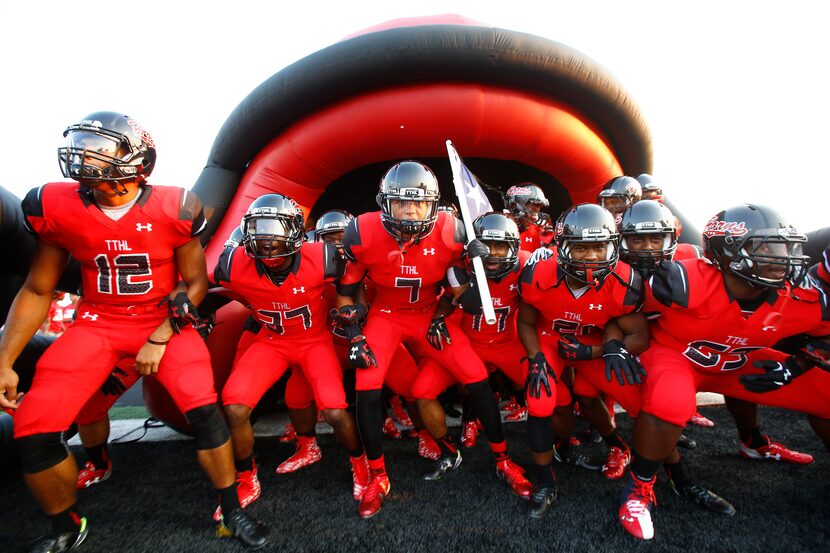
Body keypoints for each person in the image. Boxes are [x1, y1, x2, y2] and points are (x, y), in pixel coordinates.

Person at [0, 112, 268, 551]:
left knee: (203, 412)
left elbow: (196, 283)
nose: (84, 154)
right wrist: (5, 361)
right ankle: (66, 524)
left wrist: (161, 334)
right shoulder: (55, 204)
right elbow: (37, 287)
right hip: (98, 321)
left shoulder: (175, 206)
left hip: (161, 320)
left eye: (100, 146)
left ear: (137, 159)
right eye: (83, 143)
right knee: (33, 427)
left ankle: (232, 510)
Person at [617, 204, 830, 541]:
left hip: (736, 359)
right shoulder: (679, 281)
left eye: (785, 247)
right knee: (670, 402)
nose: (783, 258)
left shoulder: (801, 297)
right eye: (768, 248)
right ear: (729, 251)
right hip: (678, 356)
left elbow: (824, 335)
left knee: (826, 388)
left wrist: (795, 366)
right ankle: (639, 489)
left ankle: (753, 442)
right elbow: (622, 308)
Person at [336, 160, 530, 519]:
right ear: (384, 202)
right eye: (402, 202)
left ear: (432, 204)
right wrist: (353, 333)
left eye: (420, 203)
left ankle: (503, 459)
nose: (411, 210)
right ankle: (378, 476)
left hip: (429, 316)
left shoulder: (452, 232)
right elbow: (346, 292)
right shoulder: (362, 232)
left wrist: (474, 267)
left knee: (476, 377)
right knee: (367, 386)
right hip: (386, 316)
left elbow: (470, 303)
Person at [212, 194, 369, 513]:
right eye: (259, 229)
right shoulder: (234, 263)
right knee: (235, 406)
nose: (267, 241)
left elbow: (349, 288)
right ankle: (246, 477)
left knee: (336, 411)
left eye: (275, 229)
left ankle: (361, 465)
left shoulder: (322, 257)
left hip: (315, 342)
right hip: (272, 341)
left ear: (296, 231)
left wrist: (353, 327)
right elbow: (211, 289)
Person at [517, 203, 648, 518]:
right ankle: (545, 480)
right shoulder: (538, 274)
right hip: (552, 340)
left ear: (612, 246)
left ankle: (624, 449)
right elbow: (525, 322)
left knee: (639, 401)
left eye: (598, 247)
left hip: (594, 345)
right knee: (539, 400)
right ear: (562, 248)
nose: (590, 256)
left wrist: (593, 352)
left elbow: (639, 335)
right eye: (580, 248)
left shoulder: (625, 281)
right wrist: (536, 358)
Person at [504, 183, 553, 251]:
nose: (537, 210)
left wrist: (544, 244)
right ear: (514, 205)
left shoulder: (538, 230)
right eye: (534, 205)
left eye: (539, 206)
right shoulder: (499, 225)